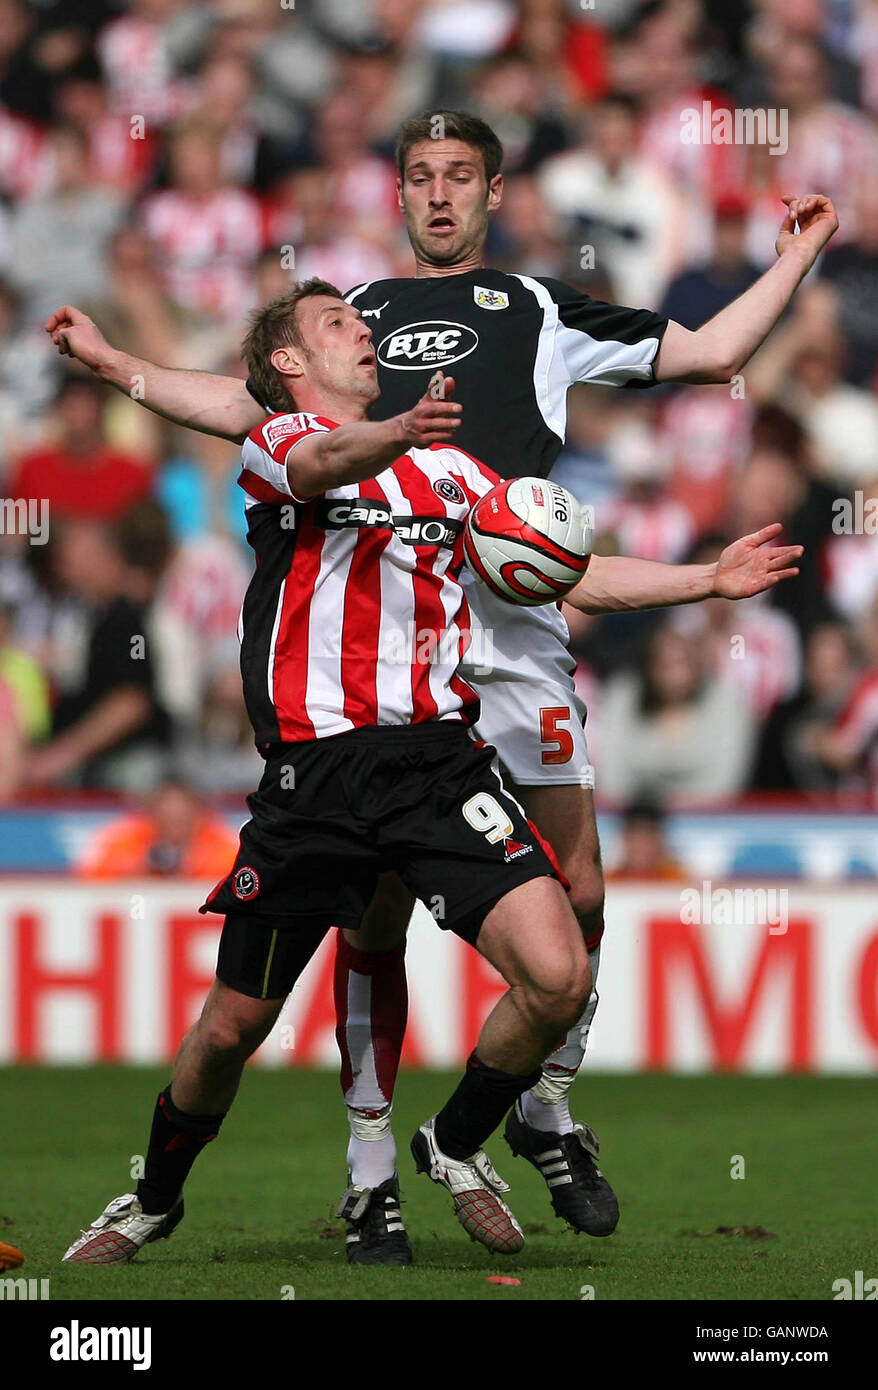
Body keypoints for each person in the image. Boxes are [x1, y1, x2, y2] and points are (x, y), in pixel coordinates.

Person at [46, 108, 835, 1252]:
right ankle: (331, 1175)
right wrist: (120, 363)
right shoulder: (335, 367)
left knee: (578, 907)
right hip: (328, 745)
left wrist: (708, 578)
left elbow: (705, 363)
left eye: (459, 175)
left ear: (493, 190)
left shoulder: (521, 327)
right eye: (416, 175)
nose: (437, 194)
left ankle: (514, 1116)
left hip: (479, 666)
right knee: (286, 986)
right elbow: (264, 422)